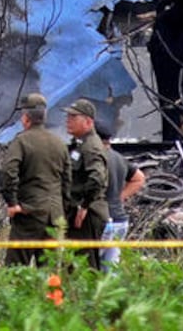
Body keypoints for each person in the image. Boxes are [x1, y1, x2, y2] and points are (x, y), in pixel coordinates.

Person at [1, 93, 72, 267]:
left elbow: (9, 172)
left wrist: (12, 203)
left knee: (16, 269)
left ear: (25, 118)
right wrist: (62, 208)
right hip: (55, 215)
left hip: (29, 213)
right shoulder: (60, 143)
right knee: (49, 270)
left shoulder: (21, 141)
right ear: (44, 116)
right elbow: (67, 181)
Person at [63, 99, 108, 270]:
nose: (68, 120)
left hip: (87, 214)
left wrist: (84, 205)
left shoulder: (91, 146)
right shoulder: (80, 144)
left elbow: (97, 178)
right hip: (78, 211)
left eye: (74, 117)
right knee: (75, 264)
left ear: (88, 122)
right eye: (68, 116)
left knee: (84, 265)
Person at [96, 124, 145, 272]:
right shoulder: (119, 158)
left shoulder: (97, 158)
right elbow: (139, 178)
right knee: (111, 269)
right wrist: (120, 197)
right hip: (120, 221)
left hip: (103, 219)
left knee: (92, 265)